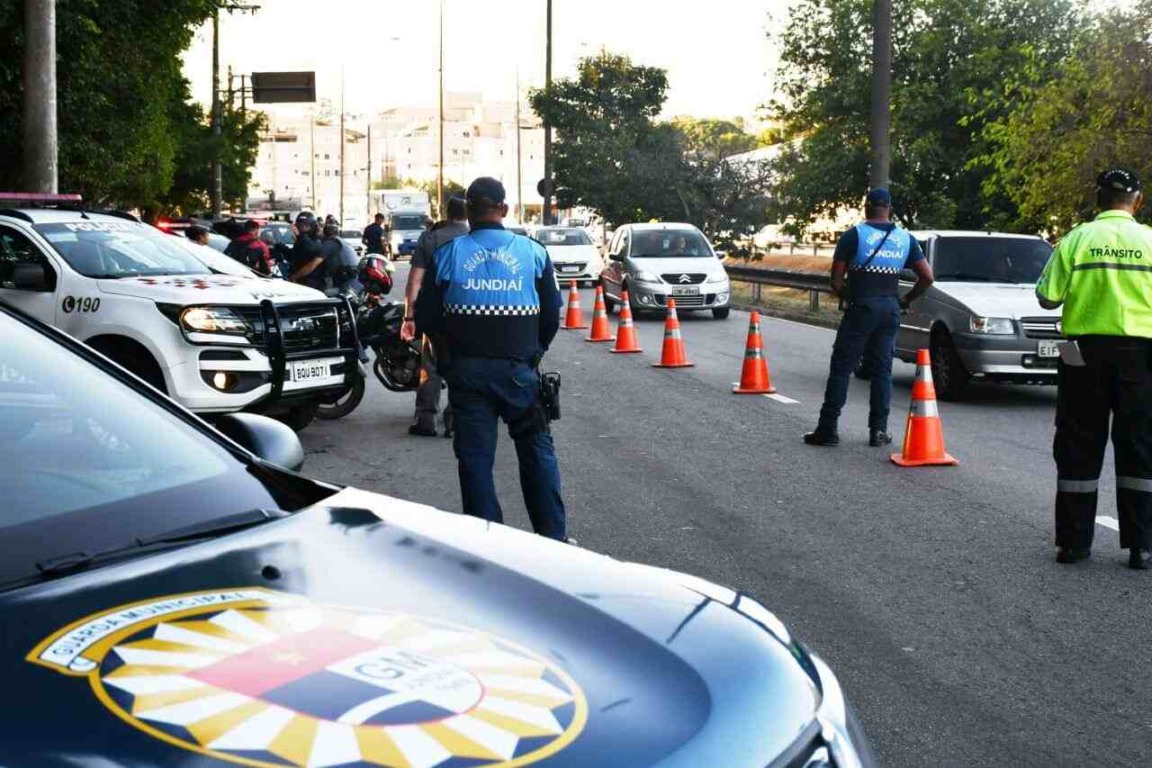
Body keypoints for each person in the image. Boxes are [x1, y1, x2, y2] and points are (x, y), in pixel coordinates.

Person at [414, 177, 567, 540]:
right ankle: (554, 540)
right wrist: (534, 354)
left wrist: (448, 361)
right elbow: (551, 315)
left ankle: (490, 545)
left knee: (475, 461)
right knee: (536, 452)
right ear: (505, 210)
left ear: (467, 211)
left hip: (467, 374)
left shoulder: (447, 254)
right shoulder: (533, 252)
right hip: (519, 373)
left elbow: (427, 317)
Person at [1036, 167, 1152, 570]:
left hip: (1083, 354)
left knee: (1078, 444)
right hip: (1142, 355)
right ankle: (1142, 545)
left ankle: (1073, 543)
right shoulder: (1150, 241)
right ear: (1137, 201)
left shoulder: (1077, 239)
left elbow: (1047, 298)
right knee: (1140, 445)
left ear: (1098, 199)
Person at [805, 188, 934, 447]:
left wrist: (850, 295)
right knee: (882, 371)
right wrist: (905, 300)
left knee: (842, 368)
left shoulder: (853, 236)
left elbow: (836, 280)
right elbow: (927, 277)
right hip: (890, 310)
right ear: (890, 208)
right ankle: (878, 431)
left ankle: (827, 429)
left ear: (866, 207)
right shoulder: (905, 239)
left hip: (862, 308)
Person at [403, 195, 469, 438]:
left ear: (447, 212)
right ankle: (455, 419)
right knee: (462, 365)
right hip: (467, 313)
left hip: (434, 314)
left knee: (430, 367)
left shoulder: (430, 238)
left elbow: (414, 281)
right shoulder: (474, 237)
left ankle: (426, 420)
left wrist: (409, 316)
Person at [287, 211, 327, 290]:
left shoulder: (317, 240)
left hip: (312, 282)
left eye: (306, 226)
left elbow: (311, 249)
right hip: (299, 281)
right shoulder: (300, 241)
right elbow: (296, 255)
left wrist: (300, 236)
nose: (302, 229)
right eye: (300, 226)